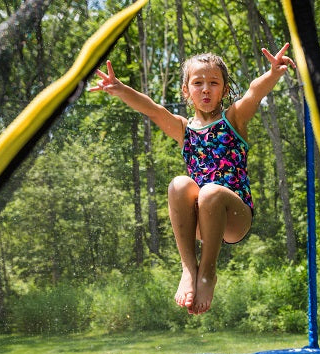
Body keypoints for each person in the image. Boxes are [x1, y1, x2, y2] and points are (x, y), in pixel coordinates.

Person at [89, 43, 294, 314]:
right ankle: (188, 268)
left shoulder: (233, 118)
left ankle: (207, 273)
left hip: (234, 217)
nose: (206, 89)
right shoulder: (184, 129)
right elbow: (151, 109)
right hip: (200, 221)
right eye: (198, 83)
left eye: (213, 83)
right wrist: (119, 88)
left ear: (224, 89)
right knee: (179, 183)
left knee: (209, 191)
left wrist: (273, 74)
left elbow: (254, 93)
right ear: (187, 91)